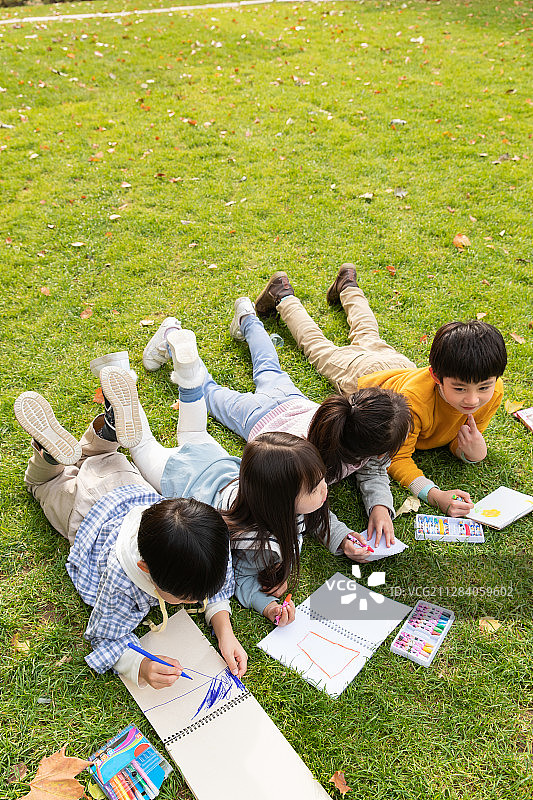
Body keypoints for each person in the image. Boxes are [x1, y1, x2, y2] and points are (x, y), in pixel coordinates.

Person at [110, 329, 373, 626]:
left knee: (193, 431)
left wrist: (340, 538)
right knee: (145, 444)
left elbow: (313, 518)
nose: (325, 491)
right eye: (315, 487)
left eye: (321, 480)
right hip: (180, 474)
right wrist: (267, 606)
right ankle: (124, 381)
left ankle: (188, 368)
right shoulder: (250, 539)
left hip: (215, 461)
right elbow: (240, 578)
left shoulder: (275, 496)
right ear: (282, 501)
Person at [14, 377, 247, 690]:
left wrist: (225, 631)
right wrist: (140, 665)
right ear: (145, 570)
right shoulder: (123, 585)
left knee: (100, 459)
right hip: (84, 509)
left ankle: (110, 429)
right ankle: (50, 459)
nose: (194, 602)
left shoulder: (202, 540)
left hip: (130, 490)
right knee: (45, 486)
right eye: (183, 599)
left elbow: (215, 581)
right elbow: (104, 635)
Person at [141, 301, 412, 547]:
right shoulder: (303, 458)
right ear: (361, 450)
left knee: (269, 366)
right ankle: (172, 337)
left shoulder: (351, 425)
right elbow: (306, 504)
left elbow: (373, 469)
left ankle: (248, 316)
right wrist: (340, 538)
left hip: (294, 402)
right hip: (260, 417)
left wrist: (379, 506)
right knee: (210, 394)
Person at [253, 265, 507, 517]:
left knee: (367, 333)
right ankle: (284, 296)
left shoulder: (493, 390)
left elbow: (461, 435)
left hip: (401, 368)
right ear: (437, 377)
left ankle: (348, 286)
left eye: (484, 387)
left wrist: (473, 452)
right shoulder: (412, 405)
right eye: (460, 388)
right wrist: (433, 493)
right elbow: (396, 458)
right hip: (363, 375)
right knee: (317, 347)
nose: (473, 399)